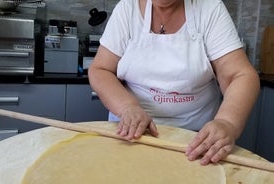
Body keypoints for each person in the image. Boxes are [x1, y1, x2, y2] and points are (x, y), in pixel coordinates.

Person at [88, 0, 260, 165]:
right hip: (131, 135)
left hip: (197, 143)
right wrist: (127, 107)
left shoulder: (210, 9)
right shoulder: (127, 9)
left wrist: (227, 122)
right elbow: (100, 70)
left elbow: (240, 75)